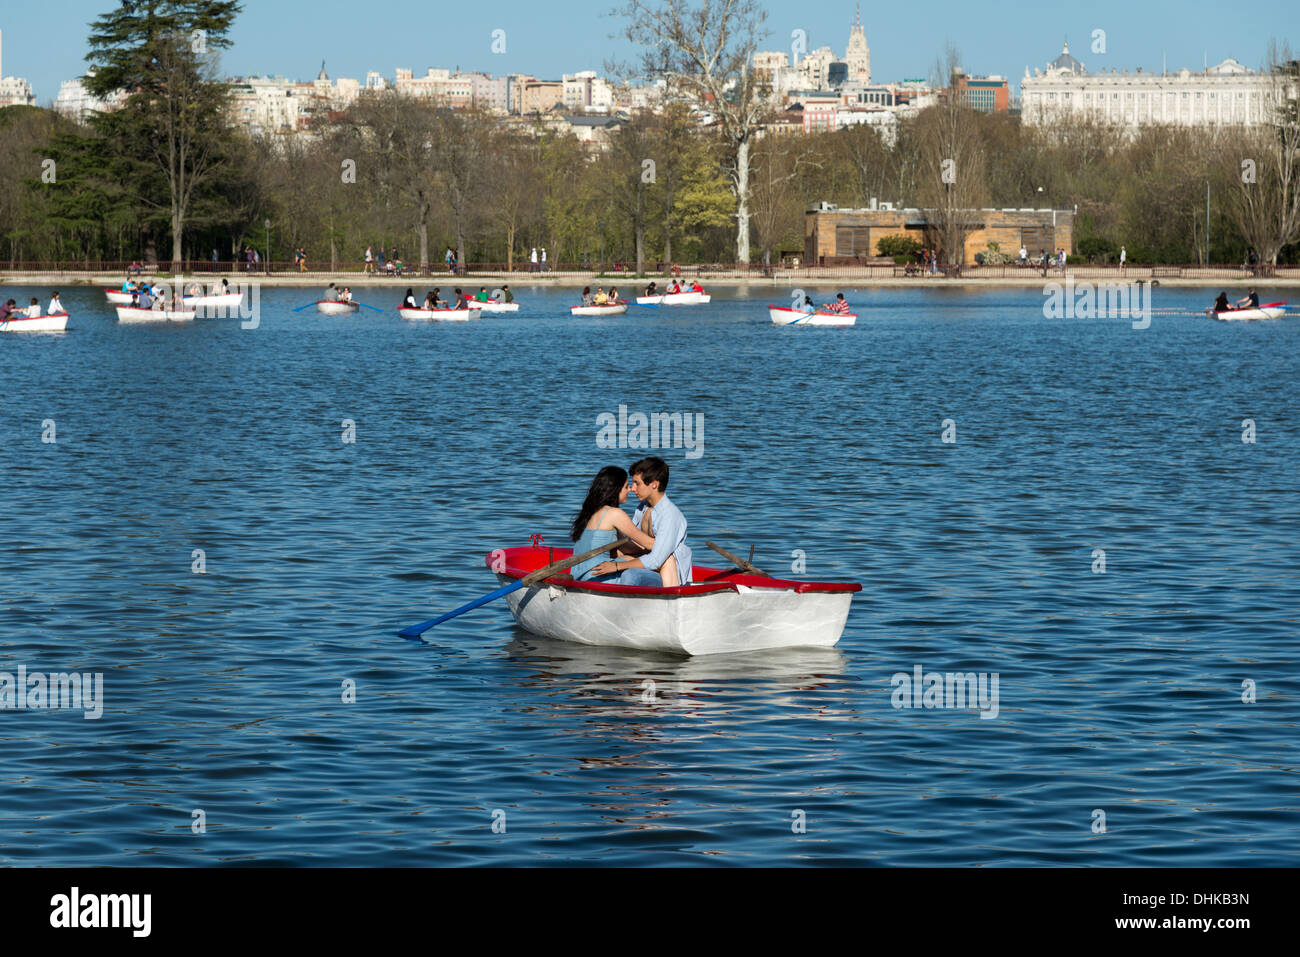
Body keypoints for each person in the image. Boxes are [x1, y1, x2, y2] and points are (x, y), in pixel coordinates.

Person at [593, 456, 691, 587]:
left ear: (654, 484)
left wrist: (617, 566)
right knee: (611, 556)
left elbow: (656, 560)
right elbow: (635, 545)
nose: (633, 488)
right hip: (647, 565)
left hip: (668, 576)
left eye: (637, 483)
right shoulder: (642, 508)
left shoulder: (670, 515)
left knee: (630, 574)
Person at [568, 466, 660, 582]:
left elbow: (626, 547)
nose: (630, 489)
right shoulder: (615, 514)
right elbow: (649, 543)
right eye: (626, 487)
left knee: (630, 558)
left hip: (580, 575)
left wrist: (643, 553)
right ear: (616, 489)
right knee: (654, 565)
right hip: (600, 575)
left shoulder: (589, 512)